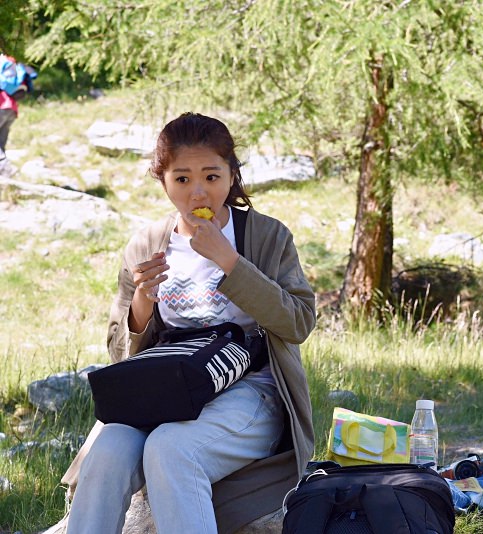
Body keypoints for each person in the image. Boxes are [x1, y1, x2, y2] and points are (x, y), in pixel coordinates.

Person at [61, 112, 316, 533]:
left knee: (171, 449)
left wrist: (229, 261)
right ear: (162, 181)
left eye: (212, 176)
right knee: (107, 453)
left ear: (232, 176)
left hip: (251, 389)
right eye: (182, 179)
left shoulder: (267, 237)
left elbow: (299, 323)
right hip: (166, 388)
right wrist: (143, 300)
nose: (198, 190)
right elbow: (118, 348)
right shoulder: (147, 243)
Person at [0, 54, 36, 155]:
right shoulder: (11, 68)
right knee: (1, 144)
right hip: (12, 110)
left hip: (2, 106)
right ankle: (4, 168)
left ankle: (4, 167)